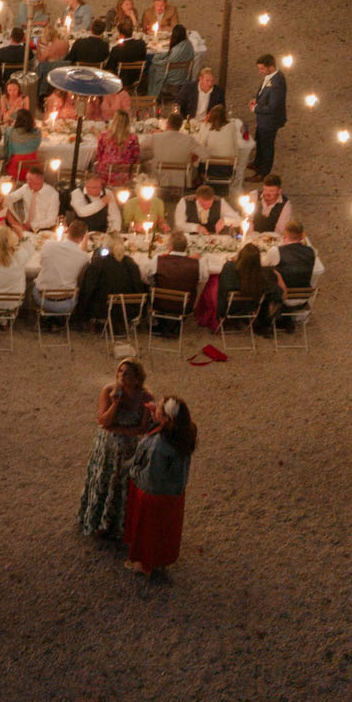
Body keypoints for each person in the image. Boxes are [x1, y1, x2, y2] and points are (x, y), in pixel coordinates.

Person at [77, 358, 156, 541]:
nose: (121, 375)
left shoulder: (146, 397)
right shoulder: (108, 391)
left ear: (137, 378)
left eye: (126, 373)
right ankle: (100, 523)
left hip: (130, 449)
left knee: (124, 485)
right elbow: (104, 421)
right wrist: (115, 403)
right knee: (105, 481)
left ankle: (122, 525)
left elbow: (143, 428)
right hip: (108, 449)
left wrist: (118, 430)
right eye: (120, 371)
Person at [126, 396, 197, 578]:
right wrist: (156, 416)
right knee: (164, 530)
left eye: (159, 407)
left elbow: (152, 477)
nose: (155, 405)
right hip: (173, 493)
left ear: (166, 418)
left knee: (148, 531)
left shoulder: (160, 444)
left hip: (153, 494)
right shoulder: (185, 433)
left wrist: (132, 471)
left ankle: (144, 565)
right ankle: (160, 561)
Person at [75, 231, 149, 333]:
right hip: (129, 310)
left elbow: (87, 290)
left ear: (105, 246)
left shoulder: (98, 264)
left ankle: (89, 323)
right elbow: (139, 287)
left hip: (103, 310)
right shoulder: (132, 264)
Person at [34, 216, 92, 310]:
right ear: (83, 237)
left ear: (67, 231)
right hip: (66, 303)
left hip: (42, 299)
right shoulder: (84, 257)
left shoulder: (48, 245)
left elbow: (41, 263)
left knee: (33, 283)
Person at [251, 54, 287, 176]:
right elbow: (264, 92)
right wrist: (256, 99)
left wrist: (256, 108)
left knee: (267, 147)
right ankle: (257, 163)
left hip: (270, 122)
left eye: (262, 69)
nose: (260, 72)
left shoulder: (277, 84)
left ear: (270, 67)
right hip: (263, 121)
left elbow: (272, 107)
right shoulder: (270, 77)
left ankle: (263, 172)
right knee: (260, 142)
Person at [151, 230, 201, 311]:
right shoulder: (196, 263)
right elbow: (201, 281)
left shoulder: (157, 260)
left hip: (160, 304)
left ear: (170, 247)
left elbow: (148, 278)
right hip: (185, 306)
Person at [146, 23, 195, 100]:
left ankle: (153, 94)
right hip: (184, 75)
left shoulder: (176, 50)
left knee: (153, 68)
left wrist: (156, 60)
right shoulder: (189, 44)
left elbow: (166, 64)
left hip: (173, 77)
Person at [94, 110, 140, 186]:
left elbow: (99, 155)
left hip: (105, 175)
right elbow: (136, 158)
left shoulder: (104, 136)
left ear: (114, 121)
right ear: (127, 123)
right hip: (125, 176)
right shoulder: (133, 138)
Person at [200, 104, 243, 179]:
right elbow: (235, 145)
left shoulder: (206, 127)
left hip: (209, 168)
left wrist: (204, 123)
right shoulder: (231, 126)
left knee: (198, 159)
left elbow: (201, 145)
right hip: (228, 168)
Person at [13, 165, 61, 231]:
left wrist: (32, 225)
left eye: (30, 179)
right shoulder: (25, 188)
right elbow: (10, 199)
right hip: (25, 226)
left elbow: (51, 220)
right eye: (27, 179)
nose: (28, 182)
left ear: (40, 179)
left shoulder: (53, 194)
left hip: (43, 229)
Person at [1, 107, 43, 182]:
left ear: (17, 120)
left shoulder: (9, 132)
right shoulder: (37, 133)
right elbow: (36, 146)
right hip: (33, 168)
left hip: (16, 168)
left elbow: (7, 151)